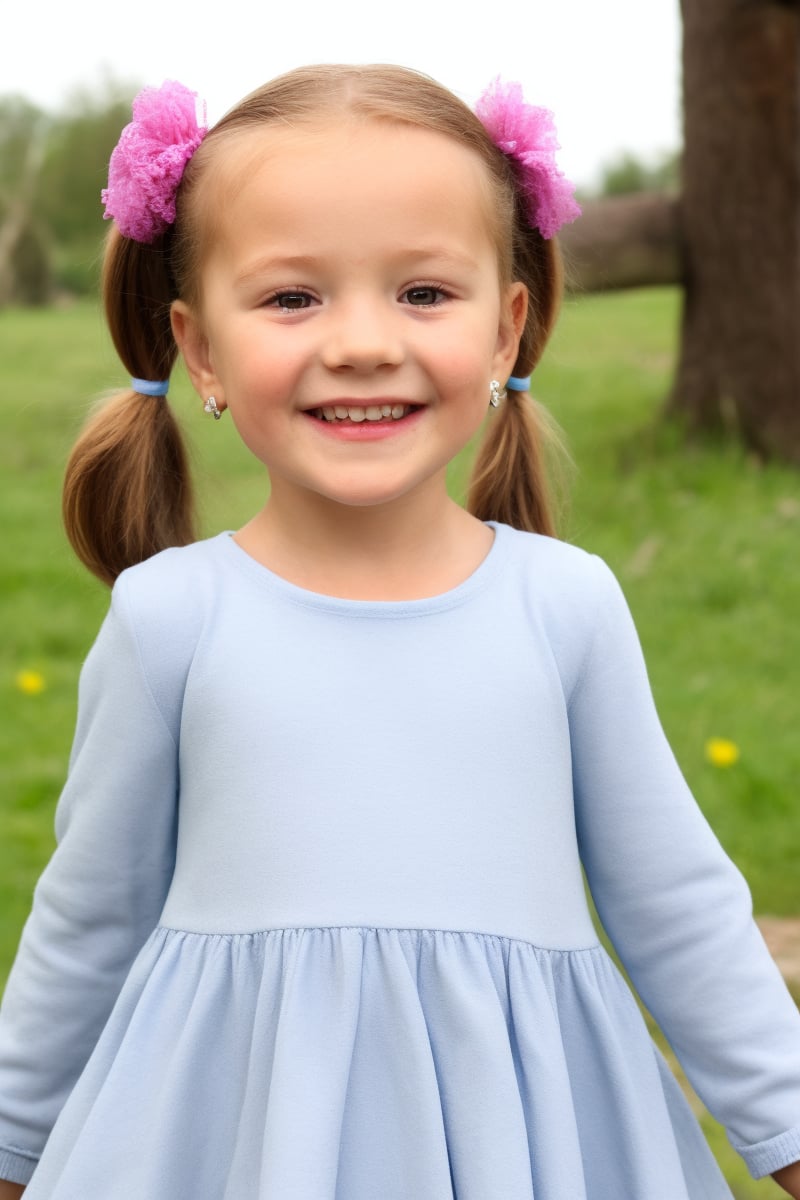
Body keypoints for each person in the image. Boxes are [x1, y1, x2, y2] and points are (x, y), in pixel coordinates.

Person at [0, 64, 798, 1200]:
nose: (364, 342)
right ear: (201, 351)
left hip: (523, 1139)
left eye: (423, 293)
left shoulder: (561, 608)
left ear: (506, 328)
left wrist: (784, 1125)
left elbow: (675, 903)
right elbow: (89, 918)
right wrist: (13, 1150)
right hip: (234, 1140)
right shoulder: (171, 619)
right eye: (292, 298)